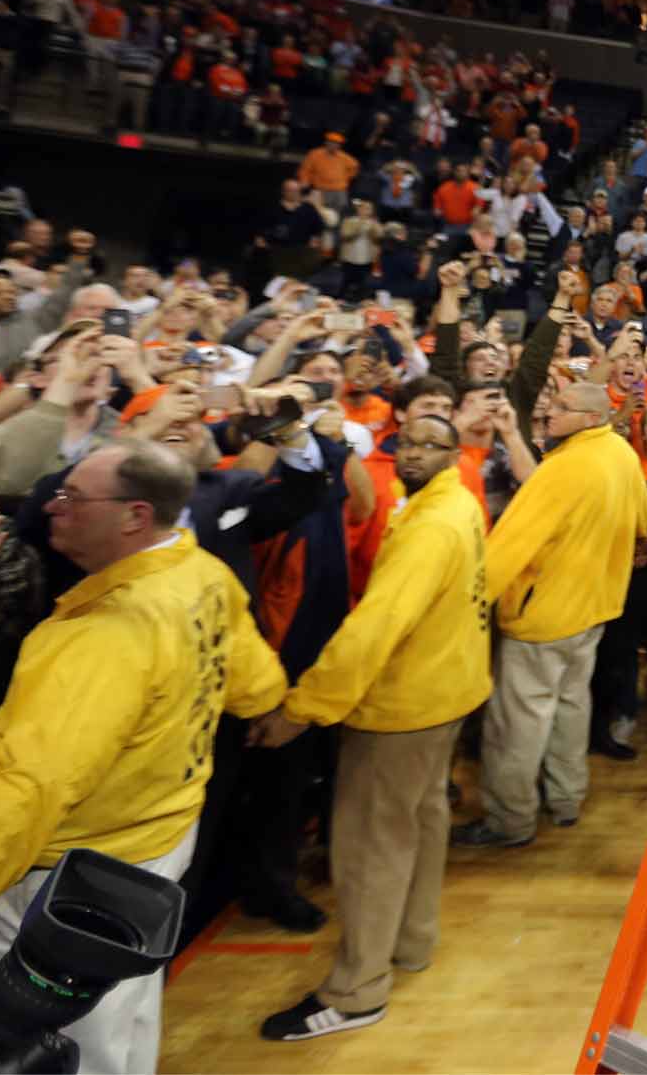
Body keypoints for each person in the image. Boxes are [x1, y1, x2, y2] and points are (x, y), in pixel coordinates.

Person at [0, 442, 289, 1075]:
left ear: (134, 516)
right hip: (160, 840)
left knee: (55, 1047)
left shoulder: (100, 637)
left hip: (70, 877)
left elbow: (30, 790)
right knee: (126, 1014)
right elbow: (249, 676)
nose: (53, 505)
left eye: (73, 497)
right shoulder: (200, 574)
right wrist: (272, 703)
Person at [252, 414, 493, 1041]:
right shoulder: (457, 504)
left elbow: (373, 630)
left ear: (453, 453)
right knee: (420, 826)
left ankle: (358, 991)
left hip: (403, 709)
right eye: (406, 441)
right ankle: (411, 944)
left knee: (368, 849)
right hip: (446, 695)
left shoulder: (432, 526)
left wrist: (303, 708)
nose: (411, 452)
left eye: (428, 445)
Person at [455, 381, 647, 846]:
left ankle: (510, 821)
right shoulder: (621, 453)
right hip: (593, 614)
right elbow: (646, 523)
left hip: (541, 620)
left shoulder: (562, 470)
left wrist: (464, 605)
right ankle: (567, 799)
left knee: (517, 727)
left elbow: (506, 551)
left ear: (590, 417)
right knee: (570, 708)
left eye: (562, 407)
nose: (549, 410)